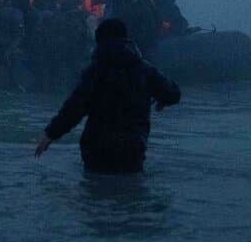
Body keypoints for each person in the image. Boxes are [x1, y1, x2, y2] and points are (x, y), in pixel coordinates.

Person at [34, 18, 180, 173]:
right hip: (132, 149)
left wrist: (50, 134)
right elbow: (173, 93)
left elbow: (74, 108)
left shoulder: (94, 72)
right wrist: (162, 99)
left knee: (95, 191)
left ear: (99, 41)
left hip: (97, 149)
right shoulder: (144, 70)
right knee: (131, 191)